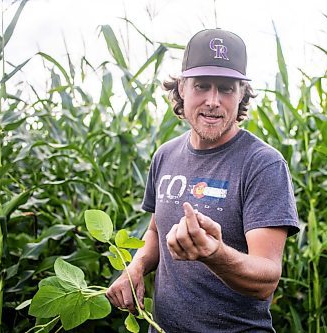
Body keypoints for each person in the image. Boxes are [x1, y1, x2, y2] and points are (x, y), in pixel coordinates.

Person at [106, 28, 300, 333]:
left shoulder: (262, 164)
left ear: (241, 93)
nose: (213, 100)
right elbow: (156, 230)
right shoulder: (165, 156)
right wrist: (137, 267)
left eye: (225, 88)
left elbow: (267, 277)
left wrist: (214, 254)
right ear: (182, 88)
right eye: (202, 85)